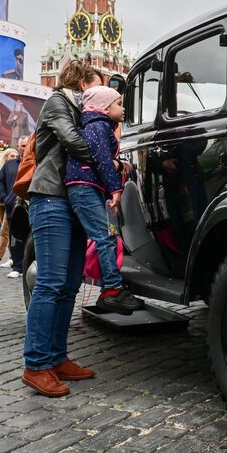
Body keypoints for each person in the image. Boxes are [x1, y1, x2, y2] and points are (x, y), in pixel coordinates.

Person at [22, 61, 100, 397]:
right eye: (95, 88)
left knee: (69, 284)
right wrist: (106, 153)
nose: (99, 97)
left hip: (71, 198)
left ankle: (56, 357)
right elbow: (73, 142)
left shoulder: (77, 109)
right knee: (51, 283)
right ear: (82, 83)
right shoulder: (58, 102)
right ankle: (36, 365)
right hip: (51, 197)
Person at [66, 85, 141, 315]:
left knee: (106, 236)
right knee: (105, 237)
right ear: (105, 108)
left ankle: (111, 288)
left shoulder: (98, 124)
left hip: (87, 187)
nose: (123, 107)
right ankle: (112, 290)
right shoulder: (98, 125)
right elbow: (103, 160)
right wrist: (115, 190)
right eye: (118, 103)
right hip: (84, 188)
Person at [0, 141, 26, 278]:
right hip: (13, 208)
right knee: (14, 238)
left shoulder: (37, 162)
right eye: (22, 145)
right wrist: (4, 198)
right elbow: (0, 182)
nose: (24, 148)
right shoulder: (9, 165)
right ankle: (18, 266)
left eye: (27, 145)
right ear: (18, 147)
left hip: (33, 207)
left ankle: (31, 264)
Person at [0, 144, 22, 270]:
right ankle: (12, 257)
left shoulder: (18, 166)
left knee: (5, 231)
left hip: (12, 203)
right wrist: (3, 198)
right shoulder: (4, 168)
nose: (14, 157)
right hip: (1, 203)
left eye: (14, 155)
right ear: (6, 157)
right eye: (11, 155)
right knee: (7, 231)